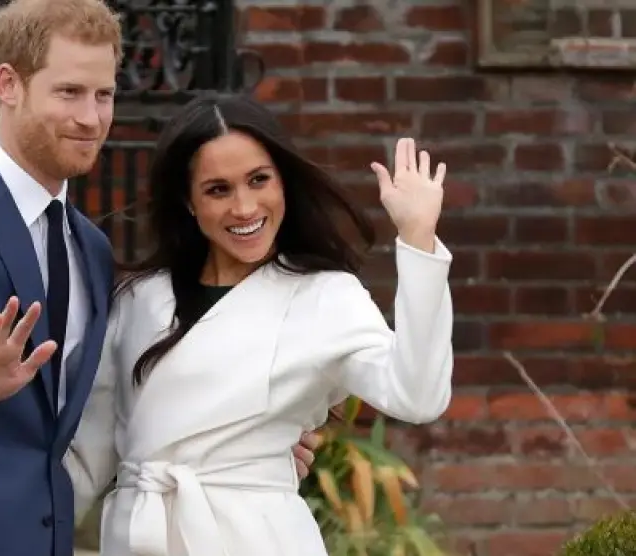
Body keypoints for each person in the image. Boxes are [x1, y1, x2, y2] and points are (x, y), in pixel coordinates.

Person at [0, 1, 318, 555]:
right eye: (69, 93)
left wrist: (240, 446)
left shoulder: (89, 248)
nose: (91, 118)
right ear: (8, 84)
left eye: (103, 95)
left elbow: (109, 405)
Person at [63, 95, 454, 555]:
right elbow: (85, 459)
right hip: (141, 537)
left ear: (282, 181)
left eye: (258, 180)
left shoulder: (325, 297)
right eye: (218, 190)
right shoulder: (138, 300)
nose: (245, 207)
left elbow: (417, 395)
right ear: (188, 201)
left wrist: (417, 235)